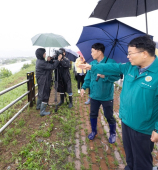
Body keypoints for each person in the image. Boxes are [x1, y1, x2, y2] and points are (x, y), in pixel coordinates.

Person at [78, 35, 158, 170]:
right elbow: (113, 68)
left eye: (130, 53)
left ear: (144, 54)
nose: (128, 57)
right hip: (126, 121)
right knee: (130, 157)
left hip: (144, 127)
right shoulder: (130, 67)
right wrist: (92, 68)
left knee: (142, 162)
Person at [80, 43, 120, 144]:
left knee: (109, 115)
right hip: (94, 95)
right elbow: (88, 78)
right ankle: (94, 131)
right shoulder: (92, 64)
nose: (91, 53)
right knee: (93, 114)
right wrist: (84, 87)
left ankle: (113, 133)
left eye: (92, 51)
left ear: (99, 51)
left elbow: (117, 76)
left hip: (106, 96)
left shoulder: (111, 63)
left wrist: (105, 76)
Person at [35, 48, 62, 116]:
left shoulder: (39, 61)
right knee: (45, 94)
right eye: (44, 53)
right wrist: (58, 60)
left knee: (41, 92)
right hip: (44, 80)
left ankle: (38, 106)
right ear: (41, 54)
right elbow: (52, 66)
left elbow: (46, 66)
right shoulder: (41, 62)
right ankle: (42, 111)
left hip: (41, 80)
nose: (45, 54)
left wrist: (48, 61)